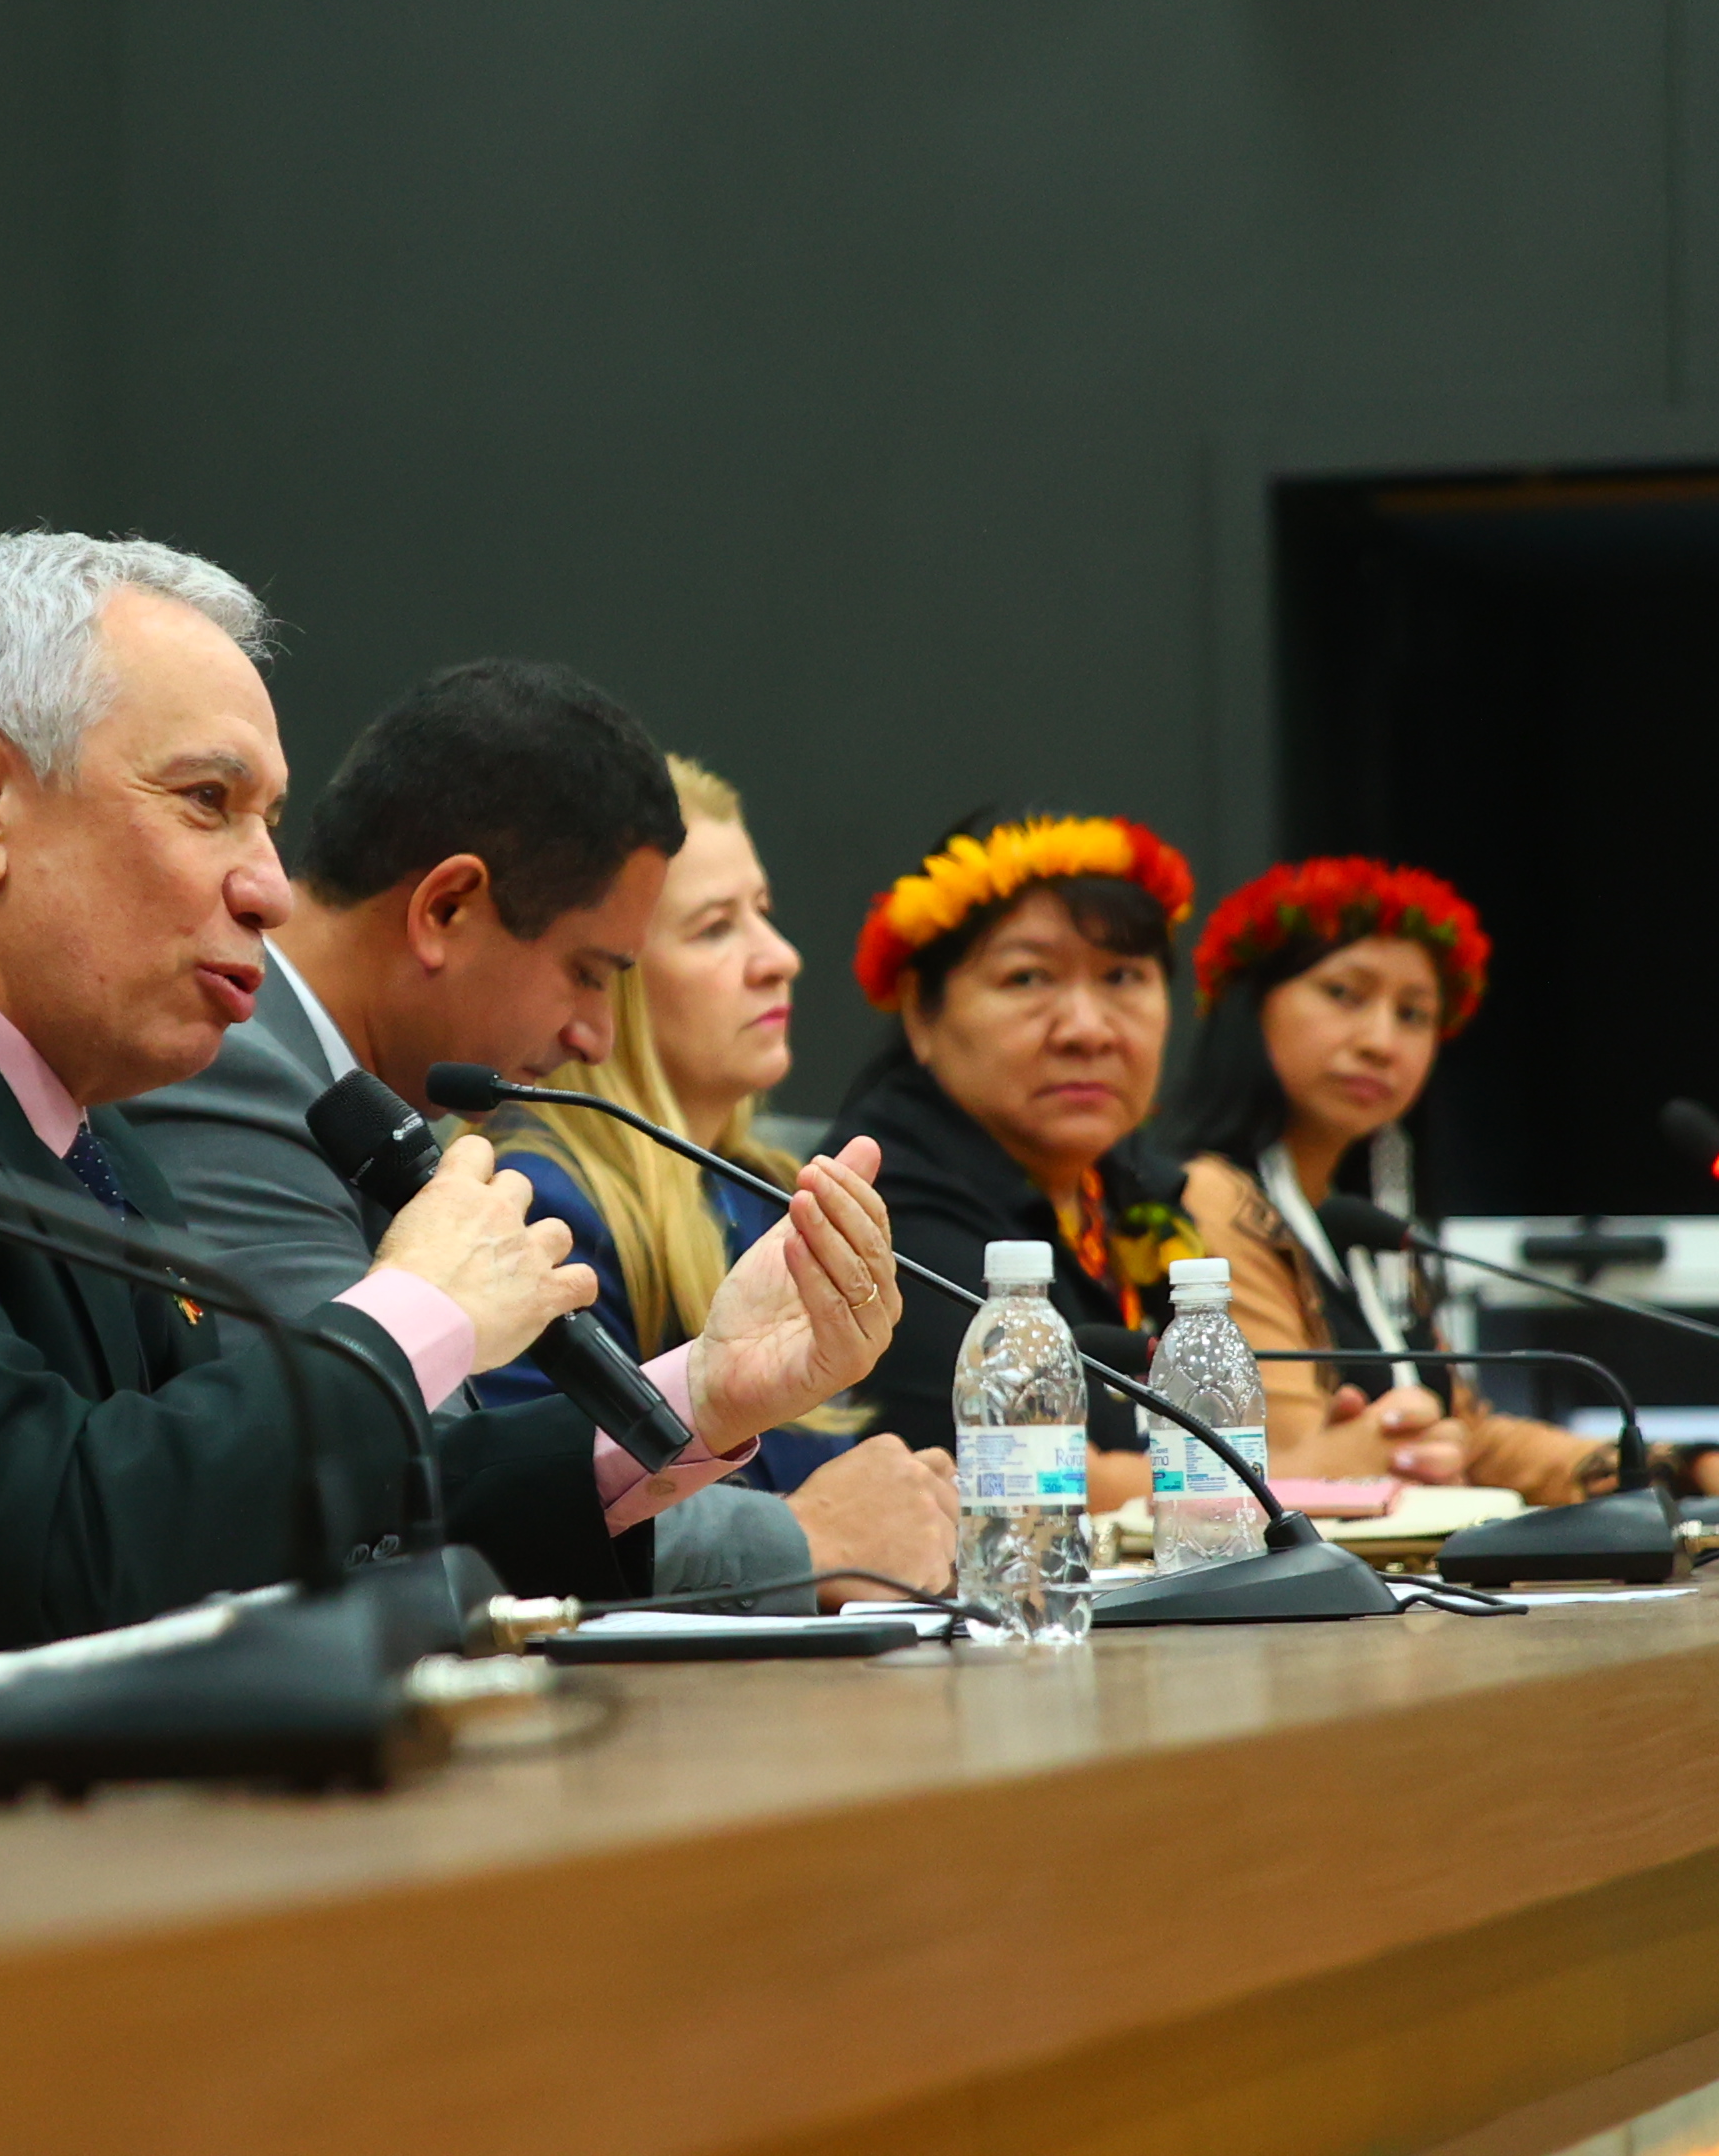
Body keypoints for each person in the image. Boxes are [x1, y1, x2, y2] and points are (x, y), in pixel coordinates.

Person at [0, 535, 904, 1653]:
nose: (269, 885)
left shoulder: (66, 1123)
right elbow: (62, 1561)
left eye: (267, 817)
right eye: (209, 804)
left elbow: (262, 1500)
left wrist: (692, 1396)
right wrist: (415, 1311)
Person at [122, 675, 952, 1613]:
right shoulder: (229, 1068)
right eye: (589, 974)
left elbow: (444, 1474)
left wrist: (706, 1392)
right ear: (446, 909)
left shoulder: (369, 1096)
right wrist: (804, 1539)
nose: (597, 1038)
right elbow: (389, 1489)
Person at [1168, 857, 1719, 1502]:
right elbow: (1300, 1455)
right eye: (1345, 994)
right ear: (1252, 1003)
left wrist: (1674, 1466)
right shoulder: (1216, 1199)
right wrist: (1396, 1449)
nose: (1381, 1041)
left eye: (1414, 1014)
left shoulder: (1359, 1228)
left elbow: (1470, 1438)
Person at [477, 756, 936, 1532]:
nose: (780, 958)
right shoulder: (539, 1216)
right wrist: (823, 1535)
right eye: (716, 928)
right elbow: (531, 1527)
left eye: (763, 911)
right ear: (613, 972)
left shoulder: (763, 1190)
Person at [832, 814, 1206, 1505]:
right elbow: (1019, 1467)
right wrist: (1297, 1472)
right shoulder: (885, 1202)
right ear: (920, 1013)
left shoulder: (1134, 1185)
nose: (1087, 1030)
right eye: (1028, 977)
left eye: (1122, 976)